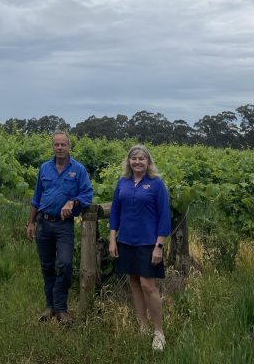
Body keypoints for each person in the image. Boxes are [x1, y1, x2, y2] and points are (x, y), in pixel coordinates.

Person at [27, 131, 93, 325]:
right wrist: (31, 222)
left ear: (69, 146)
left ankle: (61, 308)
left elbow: (87, 194)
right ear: (52, 147)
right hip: (43, 223)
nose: (60, 148)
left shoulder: (78, 169)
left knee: (64, 265)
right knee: (47, 266)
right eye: (56, 145)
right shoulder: (44, 168)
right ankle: (50, 307)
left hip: (64, 225)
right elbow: (36, 197)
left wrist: (72, 202)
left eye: (63, 144)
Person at [108, 144, 171, 351]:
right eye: (133, 158)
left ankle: (159, 332)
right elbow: (115, 212)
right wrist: (112, 238)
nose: (137, 162)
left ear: (148, 162)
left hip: (148, 243)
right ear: (129, 162)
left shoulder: (156, 184)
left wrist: (159, 246)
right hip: (126, 240)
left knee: (148, 285)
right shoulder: (123, 183)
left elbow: (164, 216)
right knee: (134, 282)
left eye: (141, 159)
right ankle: (142, 326)